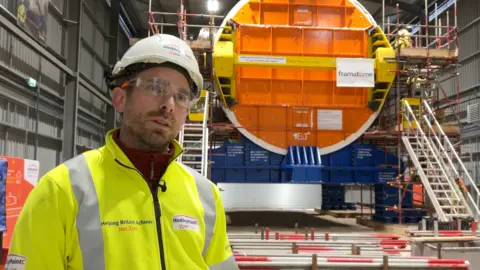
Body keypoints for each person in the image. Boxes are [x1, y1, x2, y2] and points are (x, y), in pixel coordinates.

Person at [5, 34, 239, 270]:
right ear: (120, 99)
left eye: (181, 96)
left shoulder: (206, 195)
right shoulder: (61, 190)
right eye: (156, 87)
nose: (169, 104)